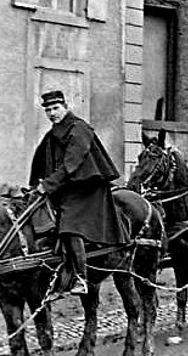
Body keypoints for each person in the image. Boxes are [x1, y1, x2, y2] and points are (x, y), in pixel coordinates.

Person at [29, 90, 129, 295]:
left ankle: (80, 278)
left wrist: (48, 185)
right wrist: (36, 186)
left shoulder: (79, 129)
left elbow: (71, 163)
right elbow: (42, 161)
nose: (52, 113)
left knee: (69, 227)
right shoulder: (53, 134)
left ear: (66, 107)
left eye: (56, 108)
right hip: (65, 187)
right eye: (48, 110)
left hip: (87, 189)